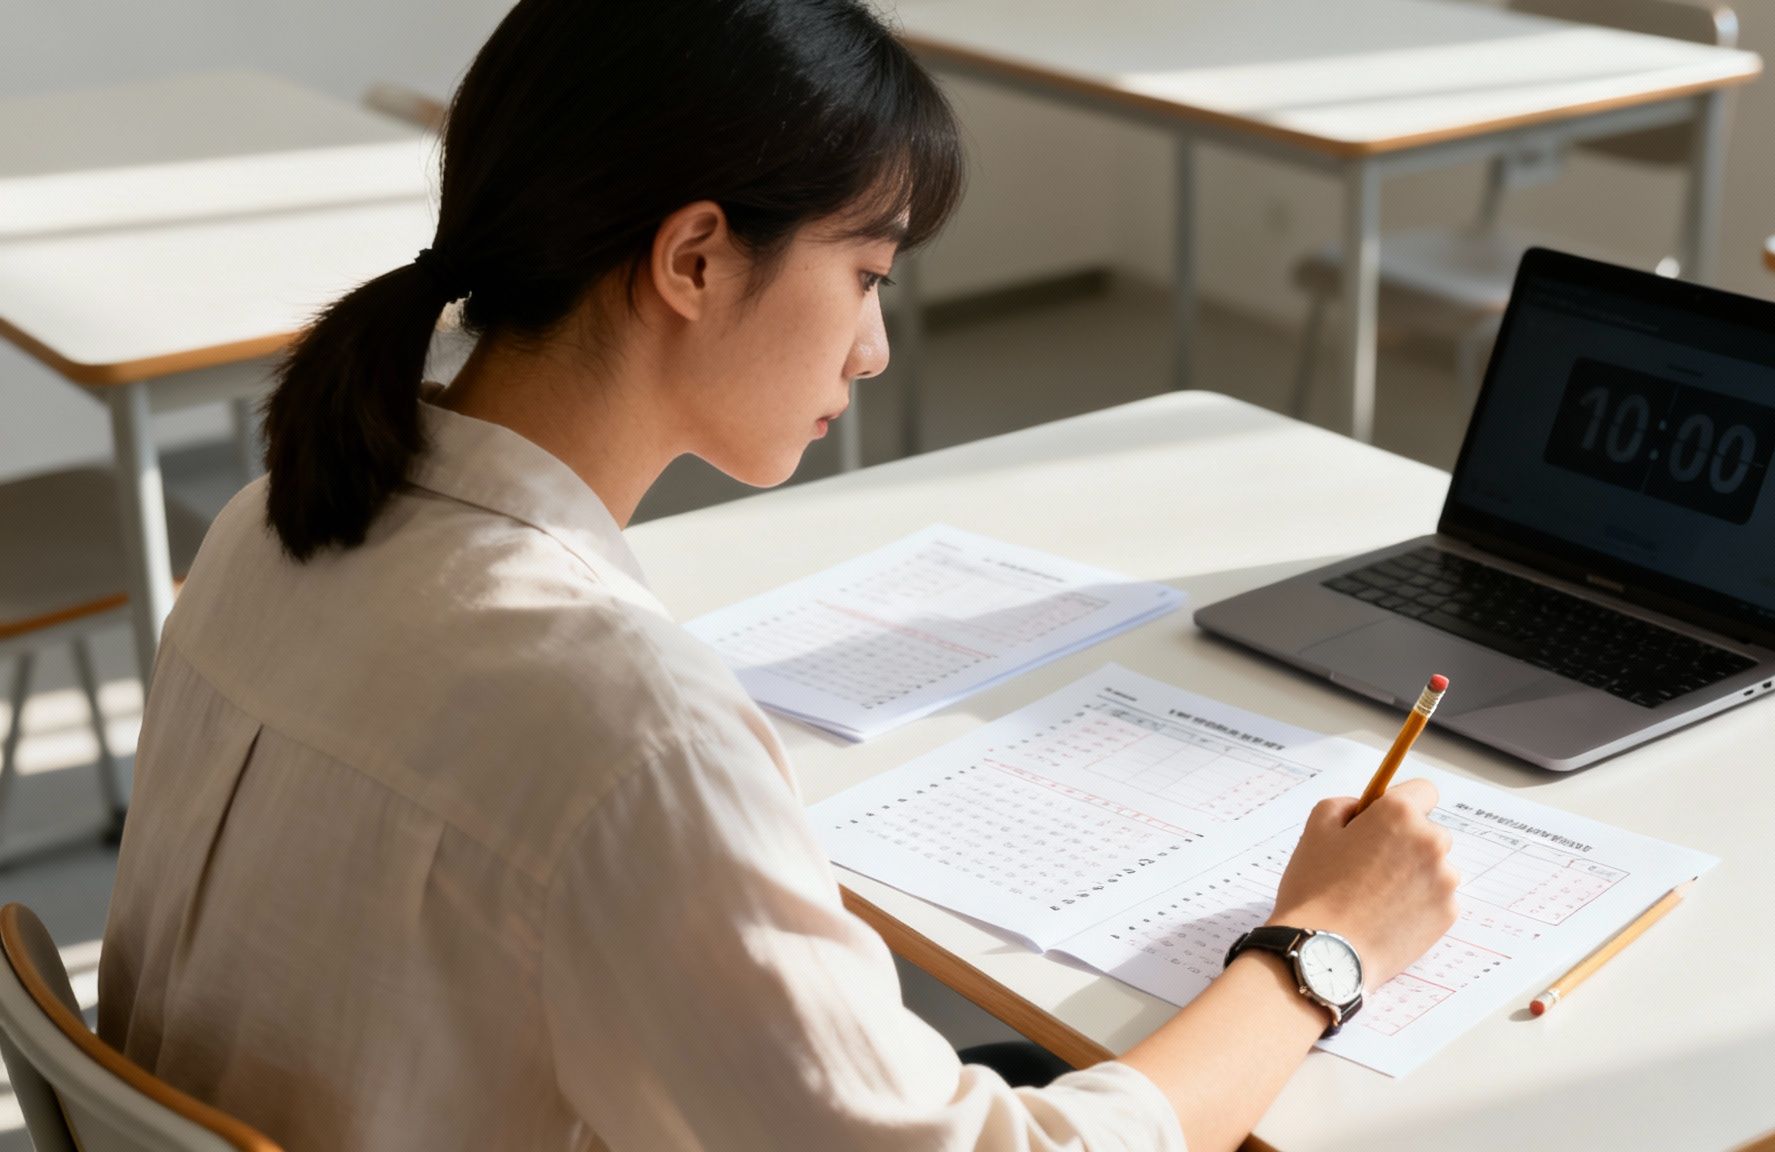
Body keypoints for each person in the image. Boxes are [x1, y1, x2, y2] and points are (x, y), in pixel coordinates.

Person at [98, 1, 1459, 1149]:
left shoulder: (277, 517)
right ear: (692, 258)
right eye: (865, 272)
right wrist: (1319, 950)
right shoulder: (623, 728)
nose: (870, 348)